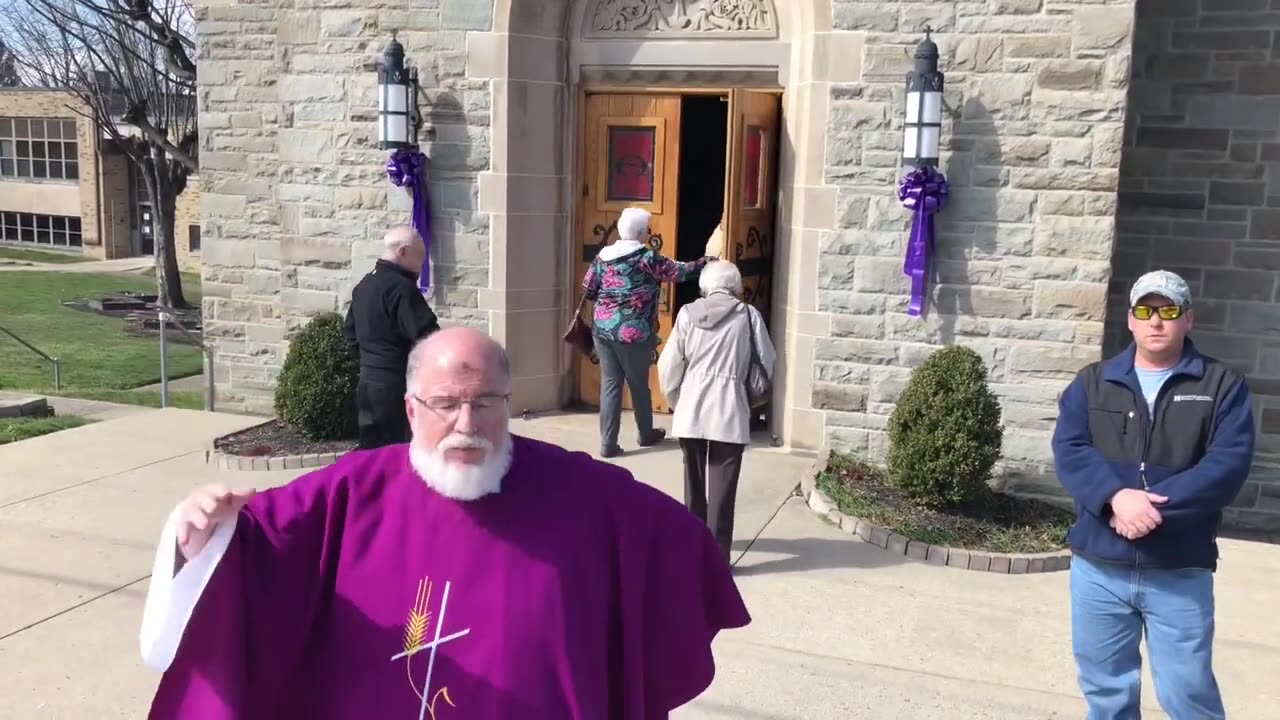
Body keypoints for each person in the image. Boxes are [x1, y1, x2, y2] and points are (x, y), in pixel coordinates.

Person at [139, 327, 750, 719]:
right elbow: (251, 549)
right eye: (446, 404)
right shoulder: (347, 494)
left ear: (509, 404)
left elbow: (676, 547)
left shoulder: (583, 492)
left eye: (485, 403)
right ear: (410, 408)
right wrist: (196, 538)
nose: (466, 424)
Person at [1051, 270, 1255, 720]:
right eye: (1145, 311)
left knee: (1188, 694)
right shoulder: (1092, 382)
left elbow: (1227, 464)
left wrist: (1147, 509)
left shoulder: (1222, 386)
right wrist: (1114, 498)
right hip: (1099, 568)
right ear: (1130, 320)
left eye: (1169, 311)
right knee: (1107, 694)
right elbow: (1070, 449)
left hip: (1178, 570)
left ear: (1188, 320)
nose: (1156, 321)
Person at [657, 261, 775, 563]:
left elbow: (668, 366)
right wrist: (747, 395)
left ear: (704, 287)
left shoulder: (685, 315)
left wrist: (676, 400)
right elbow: (768, 361)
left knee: (693, 484)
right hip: (730, 407)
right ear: (736, 288)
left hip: (691, 407)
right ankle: (718, 559)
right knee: (723, 490)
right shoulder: (749, 316)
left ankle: (693, 550)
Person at [582, 207, 711, 458]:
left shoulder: (602, 256)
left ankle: (608, 444)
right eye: (648, 229)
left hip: (603, 330)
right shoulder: (646, 258)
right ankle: (645, 433)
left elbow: (588, 289)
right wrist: (705, 262)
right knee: (639, 385)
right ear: (641, 232)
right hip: (633, 333)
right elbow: (680, 272)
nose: (649, 233)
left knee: (610, 385)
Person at [343, 225, 440, 450]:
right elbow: (429, 338)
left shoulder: (364, 286)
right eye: (420, 258)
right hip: (396, 388)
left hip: (367, 386)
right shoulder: (402, 290)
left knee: (371, 452)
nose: (421, 266)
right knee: (398, 455)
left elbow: (350, 334)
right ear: (403, 252)